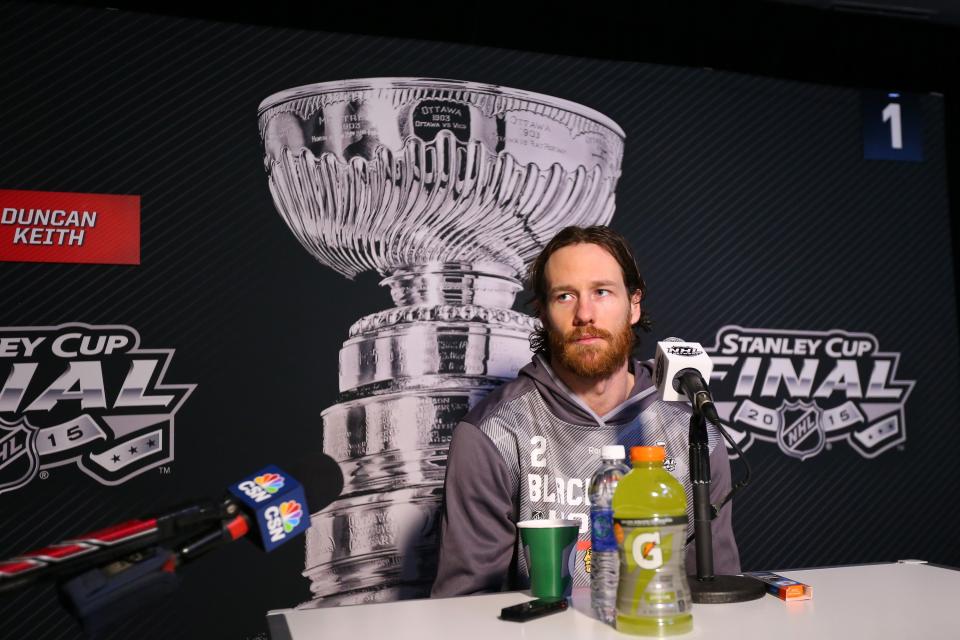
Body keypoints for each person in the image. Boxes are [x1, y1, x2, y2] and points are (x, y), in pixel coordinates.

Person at [430, 225, 740, 597]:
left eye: (602, 291)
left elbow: (718, 588)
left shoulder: (690, 428)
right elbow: (464, 609)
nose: (585, 314)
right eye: (565, 296)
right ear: (542, 313)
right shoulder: (493, 432)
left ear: (634, 305)